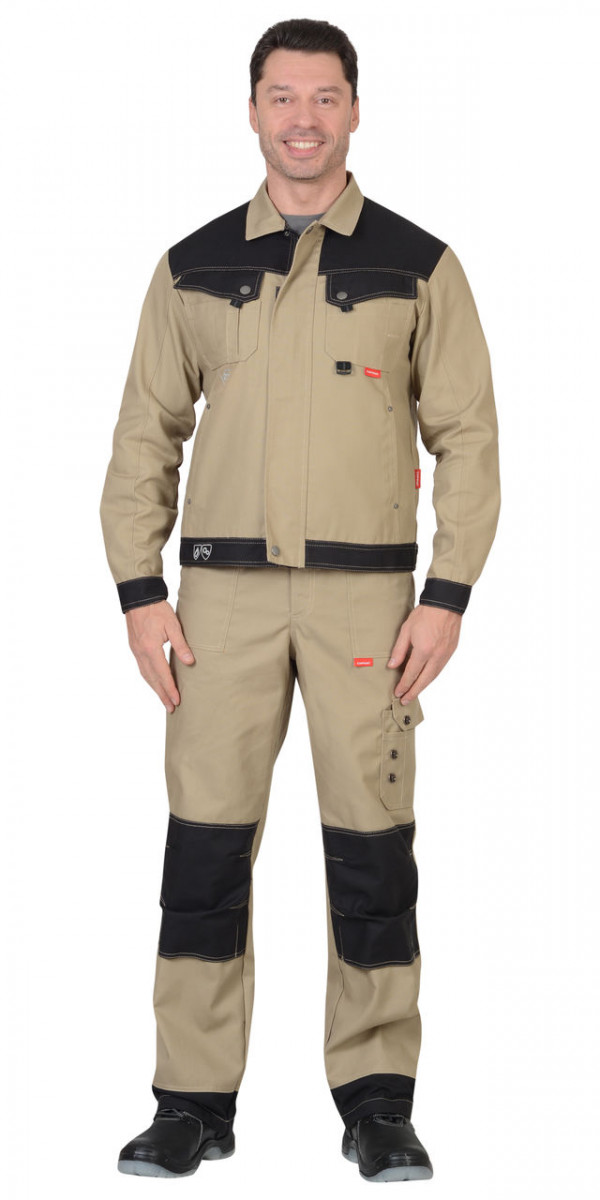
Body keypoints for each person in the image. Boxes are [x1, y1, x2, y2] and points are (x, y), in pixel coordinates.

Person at [99, 16, 500, 1184]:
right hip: (216, 606)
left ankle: (378, 1102)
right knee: (205, 851)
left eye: (326, 97)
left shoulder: (420, 265)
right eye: (283, 96)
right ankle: (191, 1102)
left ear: (356, 110)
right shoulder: (192, 266)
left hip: (369, 607)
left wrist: (447, 594)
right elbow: (144, 437)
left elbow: (470, 437)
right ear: (253, 110)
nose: (305, 119)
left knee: (372, 852)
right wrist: (139, 590)